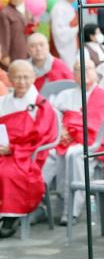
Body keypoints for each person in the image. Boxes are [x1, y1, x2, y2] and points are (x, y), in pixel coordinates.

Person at [43, 59, 104, 225]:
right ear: (73, 74)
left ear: (96, 73)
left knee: (74, 154)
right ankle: (38, 204)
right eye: (78, 69)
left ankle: (71, 210)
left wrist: (76, 132)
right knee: (46, 154)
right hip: (63, 141)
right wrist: (61, 132)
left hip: (92, 144)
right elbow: (51, 119)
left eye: (88, 69)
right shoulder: (65, 96)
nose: (83, 72)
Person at [0, 60, 58, 238]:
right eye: (17, 77)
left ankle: (11, 216)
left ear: (33, 77)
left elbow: (43, 136)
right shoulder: (3, 102)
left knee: (8, 172)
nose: (21, 82)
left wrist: (14, 149)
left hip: (29, 154)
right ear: (9, 78)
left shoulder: (40, 105)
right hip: (5, 151)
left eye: (26, 77)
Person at [51, 0, 79, 69]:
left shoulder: (68, 6)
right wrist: (76, 29)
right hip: (65, 46)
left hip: (72, 43)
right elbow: (59, 32)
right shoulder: (59, 8)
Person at [0, 0, 29, 69]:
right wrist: (5, 54)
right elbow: (3, 35)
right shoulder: (5, 13)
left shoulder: (26, 11)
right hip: (13, 50)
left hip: (26, 48)